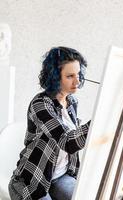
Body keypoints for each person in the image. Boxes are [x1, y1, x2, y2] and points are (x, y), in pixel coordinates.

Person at [8, 46, 91, 200]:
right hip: (31, 181)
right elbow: (66, 141)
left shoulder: (72, 102)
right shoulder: (40, 104)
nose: (77, 81)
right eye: (70, 76)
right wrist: (97, 123)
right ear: (55, 77)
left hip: (60, 177)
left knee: (84, 196)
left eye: (79, 74)